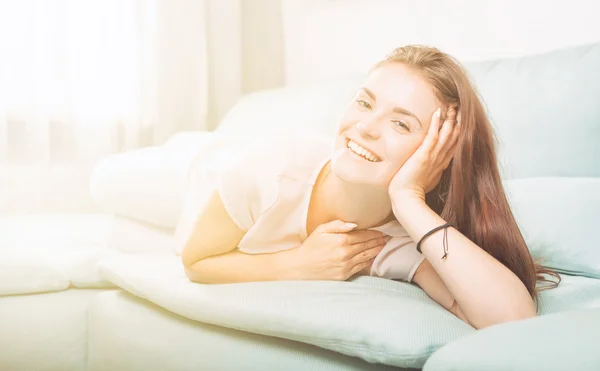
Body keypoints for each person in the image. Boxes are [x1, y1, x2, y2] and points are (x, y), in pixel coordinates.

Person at [181, 45, 560, 330]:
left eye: (401, 124)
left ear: (439, 159)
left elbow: (512, 319)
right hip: (204, 169)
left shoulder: (402, 239)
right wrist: (299, 264)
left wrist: (409, 201)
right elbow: (195, 262)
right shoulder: (271, 170)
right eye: (365, 103)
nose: (365, 127)